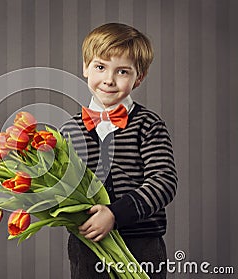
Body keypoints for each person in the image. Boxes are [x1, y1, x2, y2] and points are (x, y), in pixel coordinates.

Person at [60, 23, 177, 278]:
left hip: (141, 243)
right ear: (85, 67)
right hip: (87, 244)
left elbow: (164, 182)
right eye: (100, 67)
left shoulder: (148, 125)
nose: (109, 80)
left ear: (139, 77)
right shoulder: (68, 130)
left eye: (122, 71)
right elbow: (63, 184)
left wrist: (115, 213)